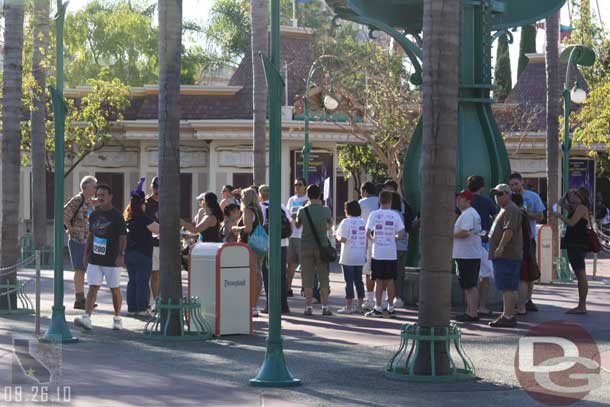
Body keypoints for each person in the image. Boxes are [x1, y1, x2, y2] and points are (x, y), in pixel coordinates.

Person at [74, 184, 127, 331]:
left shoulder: (117, 216)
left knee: (114, 289)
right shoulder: (95, 215)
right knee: (93, 287)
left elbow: (123, 237)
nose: (101, 197)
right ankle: (86, 318)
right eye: (99, 194)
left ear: (110, 197)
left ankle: (117, 319)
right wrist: (86, 254)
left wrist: (121, 255)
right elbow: (91, 235)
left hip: (112, 259)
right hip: (95, 258)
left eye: (104, 194)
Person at [364, 191, 405, 318]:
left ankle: (378, 308)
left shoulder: (374, 214)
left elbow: (368, 232)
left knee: (378, 281)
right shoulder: (395, 215)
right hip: (391, 253)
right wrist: (393, 237)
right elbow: (401, 234)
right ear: (391, 201)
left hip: (377, 252)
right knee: (390, 280)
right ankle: (391, 308)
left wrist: (374, 238)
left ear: (379, 201)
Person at [487, 184, 523, 328]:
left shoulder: (511, 210)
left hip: (507, 255)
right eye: (495, 194)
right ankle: (508, 314)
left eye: (500, 194)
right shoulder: (504, 210)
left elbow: (509, 230)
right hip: (504, 255)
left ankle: (508, 316)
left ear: (508, 194)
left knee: (507, 287)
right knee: (508, 287)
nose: (497, 197)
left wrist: (501, 246)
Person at [508, 172, 544, 312]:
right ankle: (515, 301)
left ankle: (528, 299)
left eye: (516, 184)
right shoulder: (508, 197)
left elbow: (540, 216)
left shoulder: (532, 197)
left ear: (522, 182)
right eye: (511, 185)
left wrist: (524, 213)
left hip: (528, 239)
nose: (514, 187)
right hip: (512, 239)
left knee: (529, 270)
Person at [296, 184, 334, 316]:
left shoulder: (302, 210)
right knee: (323, 277)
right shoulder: (326, 210)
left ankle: (308, 307)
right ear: (319, 195)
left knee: (307, 278)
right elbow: (329, 226)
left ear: (308, 195)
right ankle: (325, 306)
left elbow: (298, 224)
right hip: (322, 247)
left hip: (306, 246)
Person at [124, 180, 159, 318]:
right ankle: (142, 308)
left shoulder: (129, 218)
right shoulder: (144, 218)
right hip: (143, 254)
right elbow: (159, 229)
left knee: (132, 281)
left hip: (129, 254)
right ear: (142, 205)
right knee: (143, 282)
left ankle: (132, 308)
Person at [553, 189, 590, 314]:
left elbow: (571, 223)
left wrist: (559, 216)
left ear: (581, 197)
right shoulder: (575, 208)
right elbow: (559, 203)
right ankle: (581, 305)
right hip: (573, 244)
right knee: (579, 273)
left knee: (581, 274)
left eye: (576, 196)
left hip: (578, 244)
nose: (572, 199)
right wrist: (566, 195)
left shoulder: (581, 208)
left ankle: (582, 305)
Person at [63, 175, 98, 310]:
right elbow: (63, 213)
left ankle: (84, 299)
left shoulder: (89, 202)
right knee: (79, 269)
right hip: (77, 240)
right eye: (93, 187)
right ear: (85, 187)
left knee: (84, 270)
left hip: (87, 241)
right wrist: (69, 228)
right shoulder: (77, 200)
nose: (95, 189)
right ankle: (79, 300)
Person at [466, 175, 497, 315]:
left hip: (466, 242)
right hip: (483, 242)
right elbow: (497, 218)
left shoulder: (465, 201)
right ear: (482, 187)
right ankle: (482, 306)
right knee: (484, 277)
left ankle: (470, 307)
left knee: (469, 276)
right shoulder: (487, 202)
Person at [232, 187, 265, 317]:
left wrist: (236, 228)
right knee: (257, 274)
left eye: (242, 197)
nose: (240, 199)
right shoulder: (259, 210)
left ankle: (250, 305)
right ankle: (254, 305)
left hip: (249, 246)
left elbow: (247, 228)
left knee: (251, 275)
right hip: (259, 245)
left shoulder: (247, 210)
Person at [259, 184, 291, 314]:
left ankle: (270, 305)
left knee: (267, 276)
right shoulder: (281, 206)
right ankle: (284, 305)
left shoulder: (261, 208)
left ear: (260, 195)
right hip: (282, 244)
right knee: (281, 275)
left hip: (268, 246)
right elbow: (291, 224)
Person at [453, 189, 482, 322]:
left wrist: (449, 235)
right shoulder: (467, 213)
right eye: (458, 198)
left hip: (467, 255)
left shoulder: (469, 214)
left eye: (461, 198)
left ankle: (472, 313)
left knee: (470, 285)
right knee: (468, 285)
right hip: (467, 254)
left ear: (468, 201)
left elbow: (466, 232)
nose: (458, 200)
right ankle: (470, 311)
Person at [334, 200, 366, 314]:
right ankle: (360, 306)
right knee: (359, 281)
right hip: (360, 255)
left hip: (348, 256)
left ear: (348, 210)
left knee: (349, 282)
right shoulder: (363, 222)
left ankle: (348, 306)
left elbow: (343, 238)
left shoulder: (346, 222)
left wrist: (336, 236)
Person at [511, 193, 538, 316]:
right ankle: (522, 305)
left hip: (520, 250)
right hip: (525, 249)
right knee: (524, 279)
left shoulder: (518, 214)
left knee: (521, 279)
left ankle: (520, 307)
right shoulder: (523, 213)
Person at [286, 178, 309, 297]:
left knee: (304, 264)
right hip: (292, 235)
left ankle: (304, 288)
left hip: (303, 236)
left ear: (305, 186)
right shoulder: (291, 200)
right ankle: (288, 288)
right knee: (290, 264)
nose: (297, 187)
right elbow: (287, 215)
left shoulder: (308, 200)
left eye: (299, 185)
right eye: (295, 185)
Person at [358, 182, 379, 311]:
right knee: (380, 271)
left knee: (367, 271)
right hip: (381, 240)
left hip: (365, 239)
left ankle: (370, 299)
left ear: (365, 191)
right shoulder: (379, 201)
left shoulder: (361, 203)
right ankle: (381, 299)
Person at [144, 176, 160, 310]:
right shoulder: (146, 203)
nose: (157, 191)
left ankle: (158, 300)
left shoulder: (168, 202)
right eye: (155, 188)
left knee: (162, 274)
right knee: (154, 273)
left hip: (165, 243)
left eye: (159, 188)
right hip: (151, 242)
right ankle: (155, 301)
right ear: (151, 187)